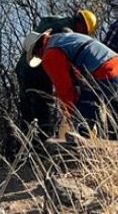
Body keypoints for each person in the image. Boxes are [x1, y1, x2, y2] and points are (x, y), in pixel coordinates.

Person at [23, 29, 118, 136]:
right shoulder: (65, 39)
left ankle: (82, 149)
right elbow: (76, 74)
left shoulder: (51, 54)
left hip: (105, 74)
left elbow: (65, 90)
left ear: (37, 50)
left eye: (37, 56)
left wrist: (71, 115)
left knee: (82, 122)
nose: (40, 57)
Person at [15, 10, 98, 141]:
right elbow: (68, 64)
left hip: (23, 69)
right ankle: (44, 148)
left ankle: (27, 145)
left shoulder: (55, 21)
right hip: (38, 71)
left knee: (28, 114)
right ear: (82, 25)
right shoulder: (67, 32)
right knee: (45, 111)